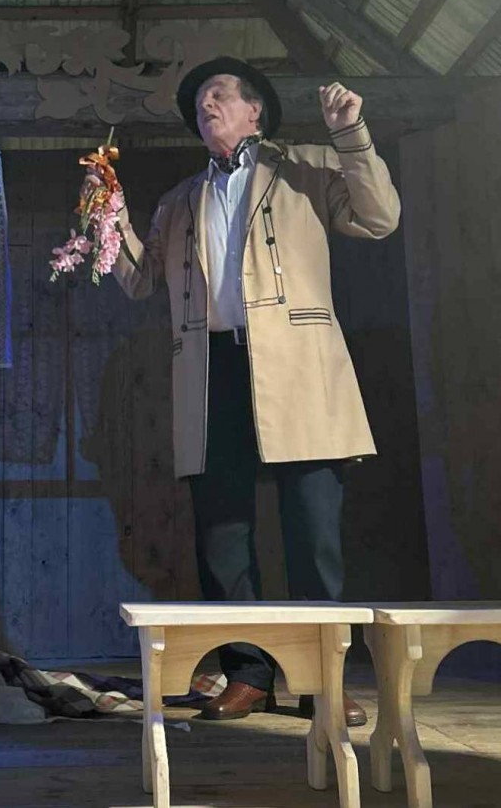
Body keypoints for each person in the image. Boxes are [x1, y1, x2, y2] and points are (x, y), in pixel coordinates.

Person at [105, 57, 400, 724]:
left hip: (296, 363)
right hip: (211, 368)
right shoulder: (181, 199)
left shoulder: (307, 166)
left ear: (255, 110)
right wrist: (108, 218)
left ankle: (324, 677)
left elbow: (380, 217)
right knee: (222, 532)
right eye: (199, 102)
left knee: (312, 529)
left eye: (218, 94)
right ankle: (249, 674)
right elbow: (140, 281)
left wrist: (351, 135)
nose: (205, 106)